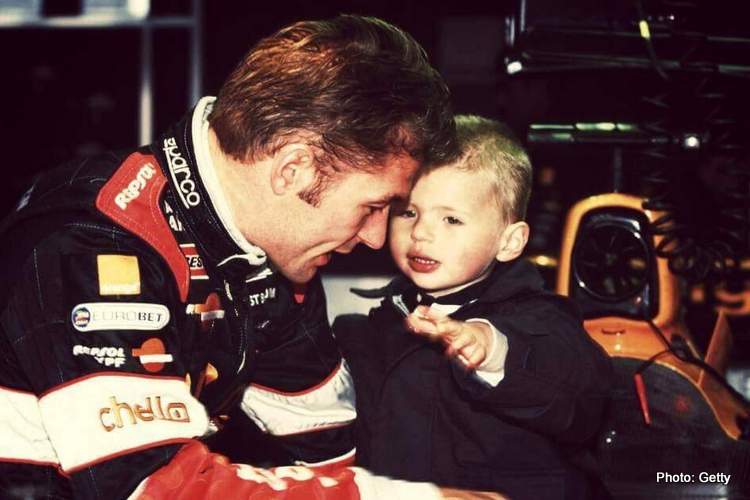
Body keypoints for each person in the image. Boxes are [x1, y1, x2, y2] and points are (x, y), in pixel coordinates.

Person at [0, 14, 506, 500]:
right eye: (373, 206)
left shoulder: (264, 253)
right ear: (293, 169)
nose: (377, 238)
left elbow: (328, 443)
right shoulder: (92, 243)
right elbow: (154, 491)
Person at [334, 115, 614, 500]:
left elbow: (582, 396)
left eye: (451, 218)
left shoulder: (541, 319)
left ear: (509, 242)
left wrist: (494, 349)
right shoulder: (374, 330)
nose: (421, 233)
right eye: (409, 212)